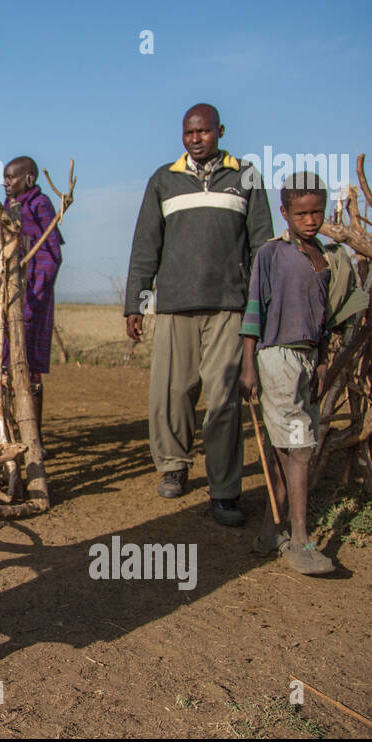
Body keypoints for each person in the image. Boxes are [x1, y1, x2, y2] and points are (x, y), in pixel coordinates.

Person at [124, 104, 274, 525]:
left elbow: (262, 245)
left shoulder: (245, 176)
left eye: (204, 132)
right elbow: (145, 245)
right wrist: (137, 301)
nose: (196, 139)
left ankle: (224, 491)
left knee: (224, 400)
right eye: (189, 132)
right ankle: (173, 466)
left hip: (229, 305)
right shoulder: (163, 179)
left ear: (220, 132)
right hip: (174, 304)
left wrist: (261, 304)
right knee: (171, 394)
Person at [239, 173, 366, 575]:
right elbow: (254, 311)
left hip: (309, 362)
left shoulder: (327, 259)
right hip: (276, 359)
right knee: (298, 448)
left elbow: (325, 320)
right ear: (285, 213)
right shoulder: (271, 255)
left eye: (316, 212)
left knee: (287, 450)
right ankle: (301, 539)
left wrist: (325, 360)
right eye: (301, 213)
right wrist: (248, 366)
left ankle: (267, 534)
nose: (310, 220)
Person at [0, 156, 64, 437]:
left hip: (25, 301)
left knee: (26, 372)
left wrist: (32, 295)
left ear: (29, 179)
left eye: (12, 178)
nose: (6, 183)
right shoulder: (10, 208)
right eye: (5, 177)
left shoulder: (39, 206)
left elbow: (49, 254)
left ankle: (32, 437)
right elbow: (8, 242)